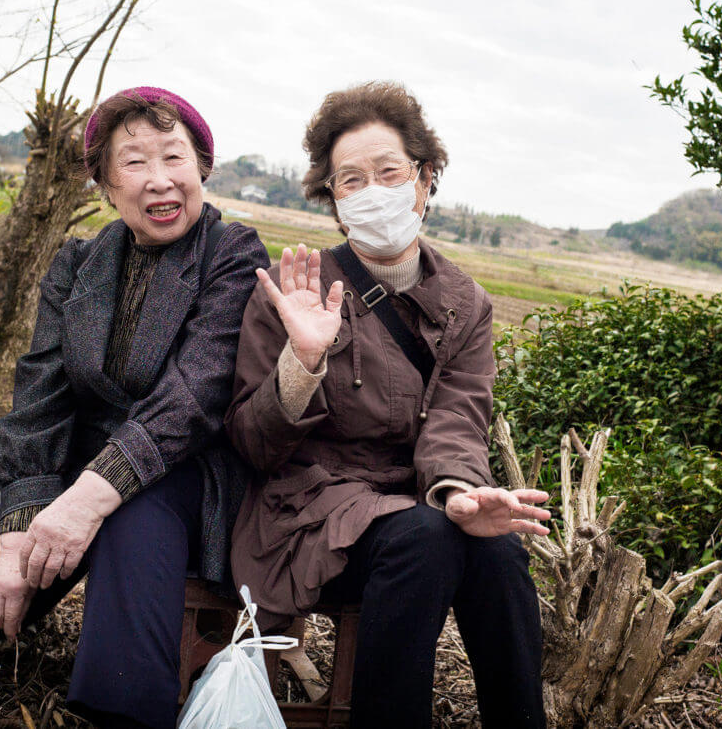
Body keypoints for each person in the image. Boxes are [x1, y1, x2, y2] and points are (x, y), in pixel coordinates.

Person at [226, 81, 552, 728]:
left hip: (413, 511)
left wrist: (459, 491)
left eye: (388, 172)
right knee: (426, 538)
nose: (372, 192)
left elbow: (459, 415)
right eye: (351, 180)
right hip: (309, 520)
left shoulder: (467, 302)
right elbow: (253, 444)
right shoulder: (298, 290)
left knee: (496, 550)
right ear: (335, 201)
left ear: (424, 180)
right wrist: (304, 361)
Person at [0, 86, 270, 729]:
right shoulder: (78, 262)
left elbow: (194, 397)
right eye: (134, 163)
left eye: (173, 157)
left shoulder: (232, 254)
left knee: (134, 515)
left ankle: (126, 709)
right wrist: (25, 522)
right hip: (74, 476)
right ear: (104, 184)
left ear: (202, 167)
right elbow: (38, 400)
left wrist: (83, 502)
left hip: (188, 473)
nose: (159, 180)